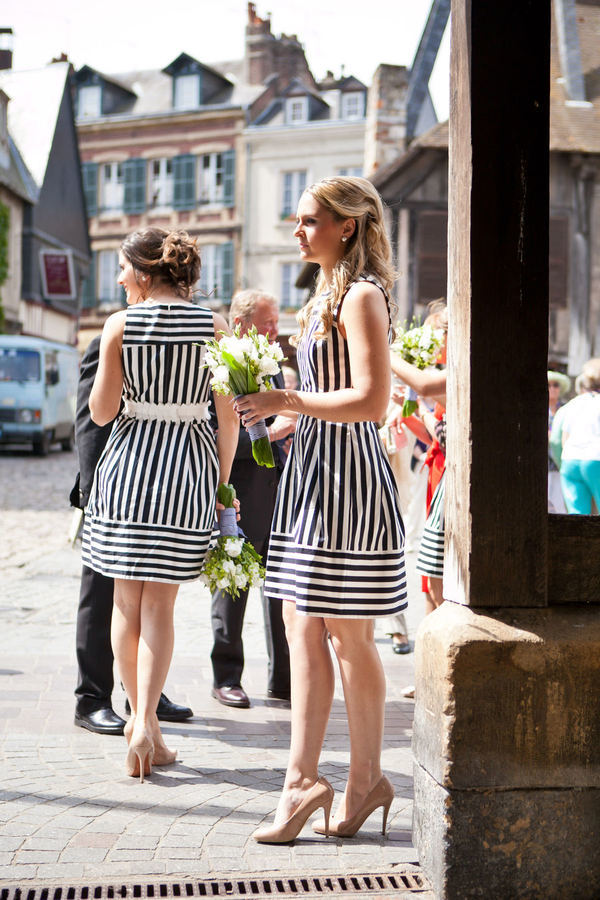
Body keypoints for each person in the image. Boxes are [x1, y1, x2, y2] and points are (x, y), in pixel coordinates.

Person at [235, 176, 407, 843]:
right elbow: (322, 396)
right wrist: (274, 420)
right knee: (301, 625)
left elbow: (370, 401)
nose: (297, 230)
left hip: (350, 483)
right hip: (312, 474)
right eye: (298, 218)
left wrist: (290, 403)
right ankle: (305, 779)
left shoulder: (363, 297)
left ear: (348, 226)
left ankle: (364, 778)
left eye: (309, 220)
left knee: (346, 634)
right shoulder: (320, 301)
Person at [82, 227, 239, 781]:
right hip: (187, 473)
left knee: (126, 603)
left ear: (145, 275)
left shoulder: (120, 325)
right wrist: (219, 486)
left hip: (127, 470)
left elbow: (101, 413)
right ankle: (149, 722)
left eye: (124, 269)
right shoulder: (214, 325)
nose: (120, 278)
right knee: (161, 606)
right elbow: (227, 420)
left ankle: (138, 725)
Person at [71, 337, 193, 735]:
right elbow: (90, 422)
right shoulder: (108, 336)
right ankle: (92, 698)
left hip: (158, 488)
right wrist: (91, 492)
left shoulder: (180, 333)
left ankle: (143, 700)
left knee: (147, 601)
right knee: (101, 594)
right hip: (114, 488)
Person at [210, 289, 294, 710]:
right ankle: (227, 677)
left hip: (276, 489)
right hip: (240, 488)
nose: (275, 331)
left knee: (280, 585)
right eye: (268, 324)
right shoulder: (221, 368)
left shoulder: (271, 362)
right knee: (234, 584)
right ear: (241, 325)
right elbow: (217, 432)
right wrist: (272, 433)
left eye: (276, 323)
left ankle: (283, 679)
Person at [554, 357, 600, 515]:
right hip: (596, 460)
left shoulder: (569, 406)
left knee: (577, 517)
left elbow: (556, 440)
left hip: (570, 461)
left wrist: (562, 464)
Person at [547, 369, 570, 513]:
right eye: (548, 385)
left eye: (555, 385)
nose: (552, 388)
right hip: (543, 462)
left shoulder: (565, 408)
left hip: (560, 462)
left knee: (560, 503)